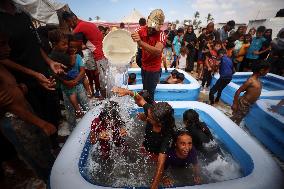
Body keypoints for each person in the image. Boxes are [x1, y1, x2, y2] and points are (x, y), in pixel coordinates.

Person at [112, 87, 176, 189]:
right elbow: (140, 99)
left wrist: (154, 186)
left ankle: (164, 177)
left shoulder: (167, 134)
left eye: (149, 118)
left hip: (156, 154)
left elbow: (161, 162)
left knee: (160, 168)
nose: (147, 116)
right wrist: (127, 92)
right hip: (145, 146)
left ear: (159, 123)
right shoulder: (151, 110)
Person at [62, 11, 108, 97]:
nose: (69, 25)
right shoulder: (86, 24)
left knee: (103, 80)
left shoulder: (78, 28)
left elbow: (75, 44)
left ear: (71, 19)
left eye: (68, 23)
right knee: (103, 78)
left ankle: (106, 99)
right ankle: (104, 96)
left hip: (99, 55)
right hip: (102, 53)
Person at [131, 9, 166, 100]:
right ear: (147, 21)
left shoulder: (161, 34)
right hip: (144, 66)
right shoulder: (140, 30)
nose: (151, 30)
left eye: (154, 28)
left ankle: (150, 111)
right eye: (150, 27)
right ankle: (147, 110)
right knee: (145, 91)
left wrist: (140, 42)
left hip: (154, 69)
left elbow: (158, 51)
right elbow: (130, 37)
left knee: (150, 94)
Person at [231, 60, 270, 125]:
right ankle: (232, 127)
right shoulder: (251, 80)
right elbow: (238, 91)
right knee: (237, 118)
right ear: (262, 70)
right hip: (243, 103)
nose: (268, 72)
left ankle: (232, 124)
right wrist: (235, 103)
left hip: (248, 104)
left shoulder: (258, 80)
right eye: (267, 70)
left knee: (239, 117)